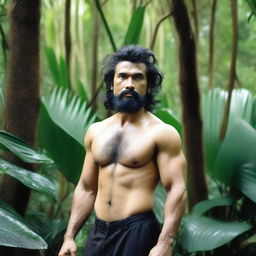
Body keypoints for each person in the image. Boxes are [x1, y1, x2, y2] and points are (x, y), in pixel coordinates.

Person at [58, 45, 186, 256]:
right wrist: (69, 237)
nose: (130, 84)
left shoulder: (162, 133)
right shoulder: (96, 131)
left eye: (138, 78)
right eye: (123, 77)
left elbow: (177, 189)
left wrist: (165, 242)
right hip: (98, 232)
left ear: (148, 85)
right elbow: (86, 188)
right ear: (111, 84)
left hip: (136, 231)